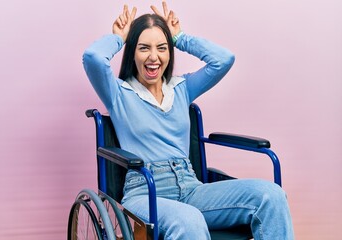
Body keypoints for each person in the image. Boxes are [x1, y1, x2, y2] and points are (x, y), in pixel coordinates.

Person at [83, 1, 294, 239]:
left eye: (162, 47)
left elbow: (223, 59)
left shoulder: (182, 88)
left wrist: (180, 37)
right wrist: (119, 38)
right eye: (144, 48)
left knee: (271, 195)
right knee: (189, 219)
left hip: (191, 186)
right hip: (145, 191)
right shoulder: (118, 93)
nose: (154, 57)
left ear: (169, 52)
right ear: (132, 52)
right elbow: (93, 57)